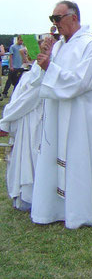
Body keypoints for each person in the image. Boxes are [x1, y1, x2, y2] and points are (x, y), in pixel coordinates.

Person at [32, 0, 92, 229]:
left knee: (79, 158)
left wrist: (50, 69)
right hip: (60, 113)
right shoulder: (62, 45)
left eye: (58, 18)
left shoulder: (89, 45)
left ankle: (81, 209)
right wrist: (47, 59)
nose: (54, 24)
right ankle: (56, 208)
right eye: (52, 19)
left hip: (82, 117)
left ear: (73, 17)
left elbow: (81, 81)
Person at [0, 60, 44, 211]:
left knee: (32, 157)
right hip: (24, 121)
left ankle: (34, 197)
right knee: (21, 156)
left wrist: (6, 120)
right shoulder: (27, 74)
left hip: (34, 120)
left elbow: (27, 99)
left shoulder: (40, 74)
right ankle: (23, 196)